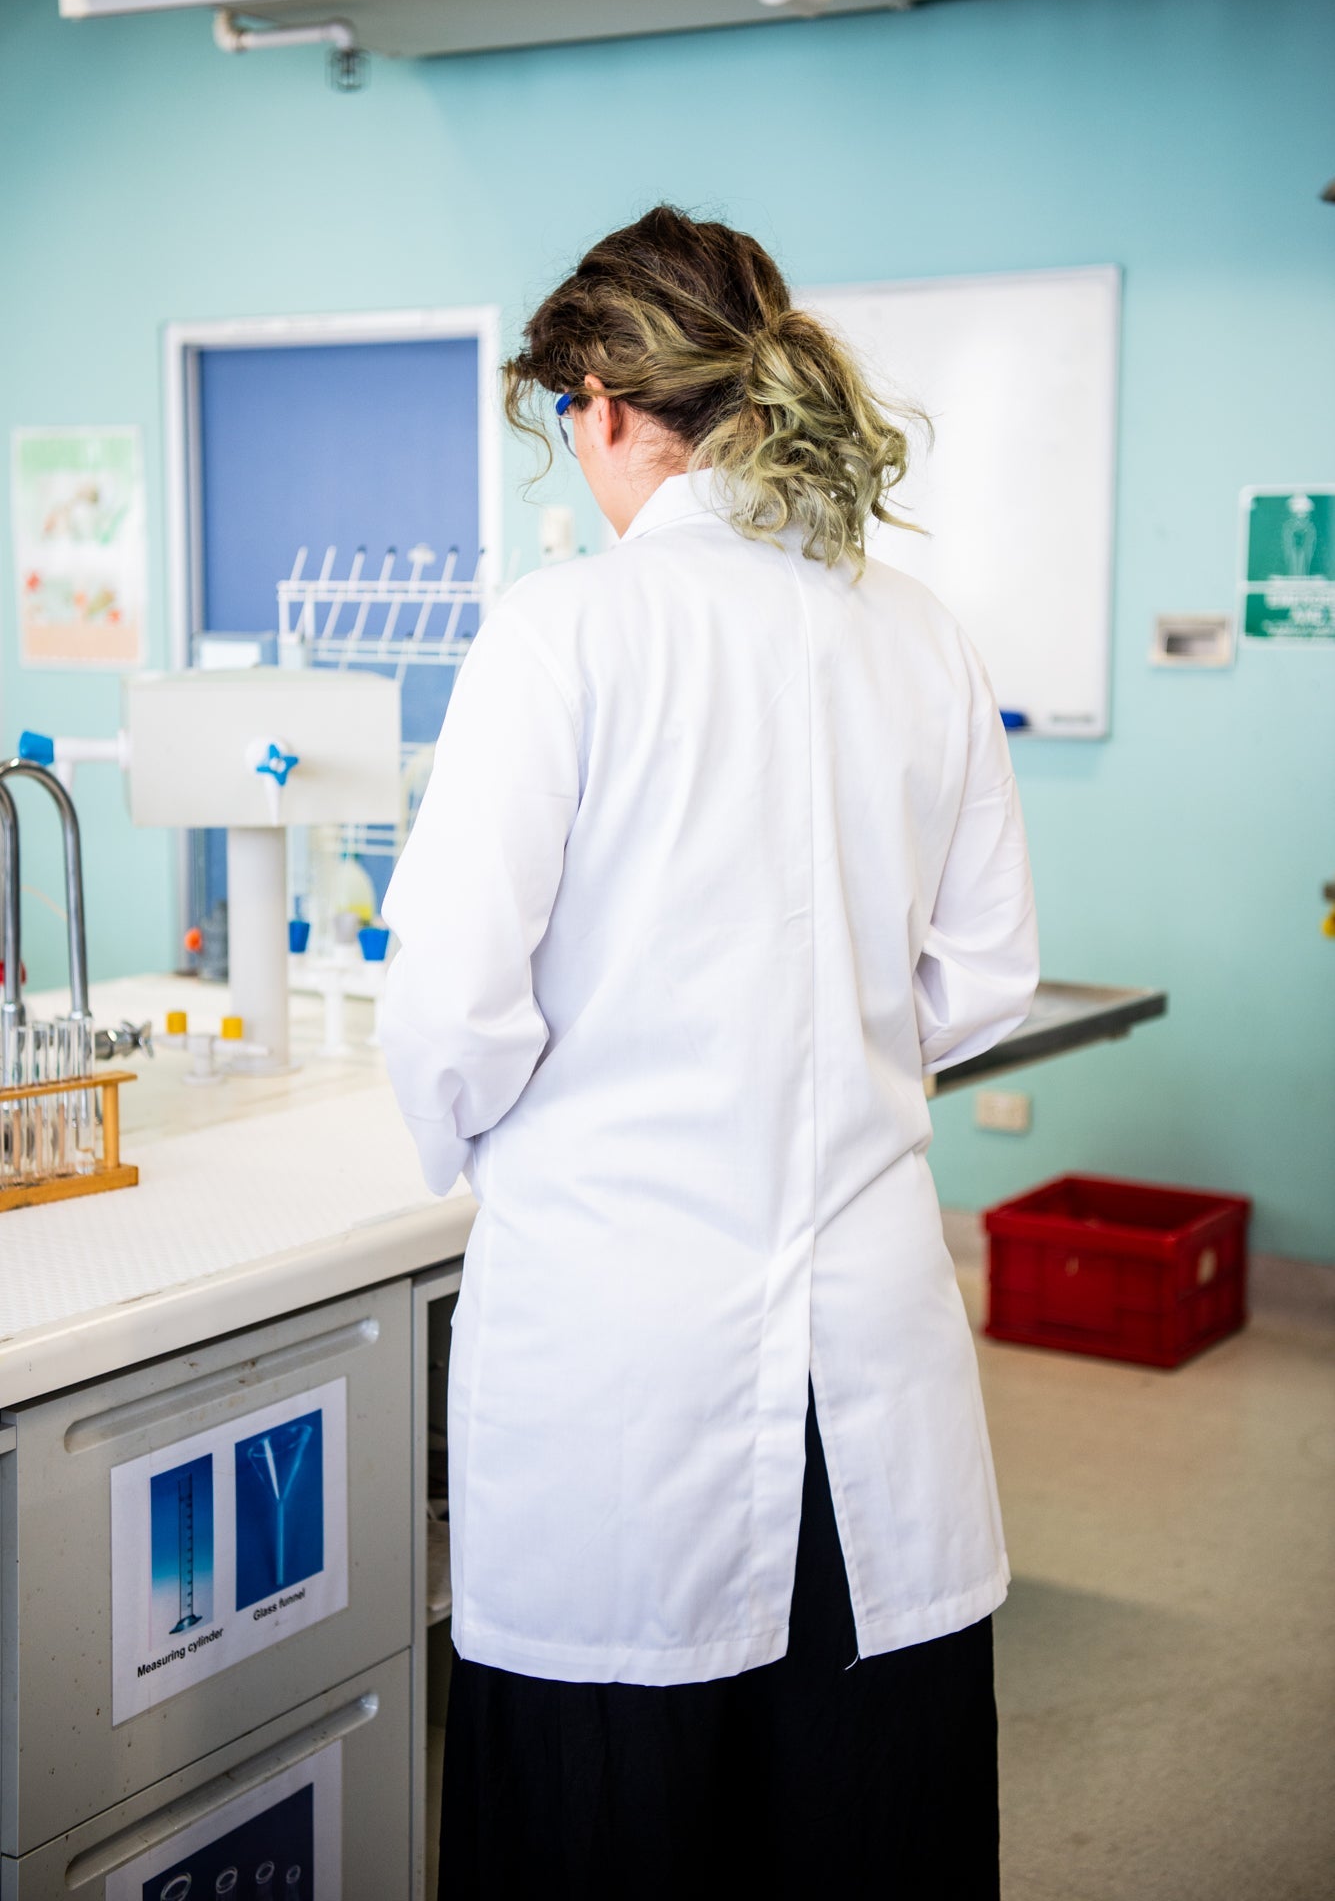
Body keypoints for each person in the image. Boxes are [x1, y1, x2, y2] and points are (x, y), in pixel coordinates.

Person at [380, 205, 1039, 1898]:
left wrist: (545, 1141)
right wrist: (831, 1056)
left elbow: (452, 1018)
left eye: (565, 426)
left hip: (622, 1362)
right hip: (871, 1370)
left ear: (600, 401)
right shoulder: (916, 631)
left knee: (616, 1832)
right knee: (857, 1827)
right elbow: (982, 981)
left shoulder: (566, 631)